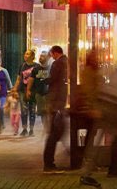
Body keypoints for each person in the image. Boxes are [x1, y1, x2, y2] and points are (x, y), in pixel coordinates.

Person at [75, 52, 104, 187]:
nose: (96, 59)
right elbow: (89, 90)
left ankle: (87, 164)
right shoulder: (88, 72)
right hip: (90, 109)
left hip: (92, 108)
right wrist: (92, 107)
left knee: (90, 137)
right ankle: (86, 166)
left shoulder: (91, 71)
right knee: (90, 138)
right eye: (94, 57)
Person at [42, 44, 70, 174]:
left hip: (55, 102)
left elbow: (52, 79)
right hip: (59, 102)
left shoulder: (57, 63)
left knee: (54, 132)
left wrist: (43, 80)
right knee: (56, 131)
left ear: (55, 53)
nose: (51, 57)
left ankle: (49, 163)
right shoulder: (65, 62)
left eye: (51, 54)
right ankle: (49, 163)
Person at [14, 49, 42, 136]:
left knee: (32, 109)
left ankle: (32, 129)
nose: (25, 55)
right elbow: (19, 78)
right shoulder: (22, 66)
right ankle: (24, 128)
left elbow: (40, 79)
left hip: (33, 91)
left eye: (27, 54)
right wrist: (15, 89)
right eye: (25, 54)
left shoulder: (37, 66)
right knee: (24, 110)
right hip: (22, 90)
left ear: (32, 56)